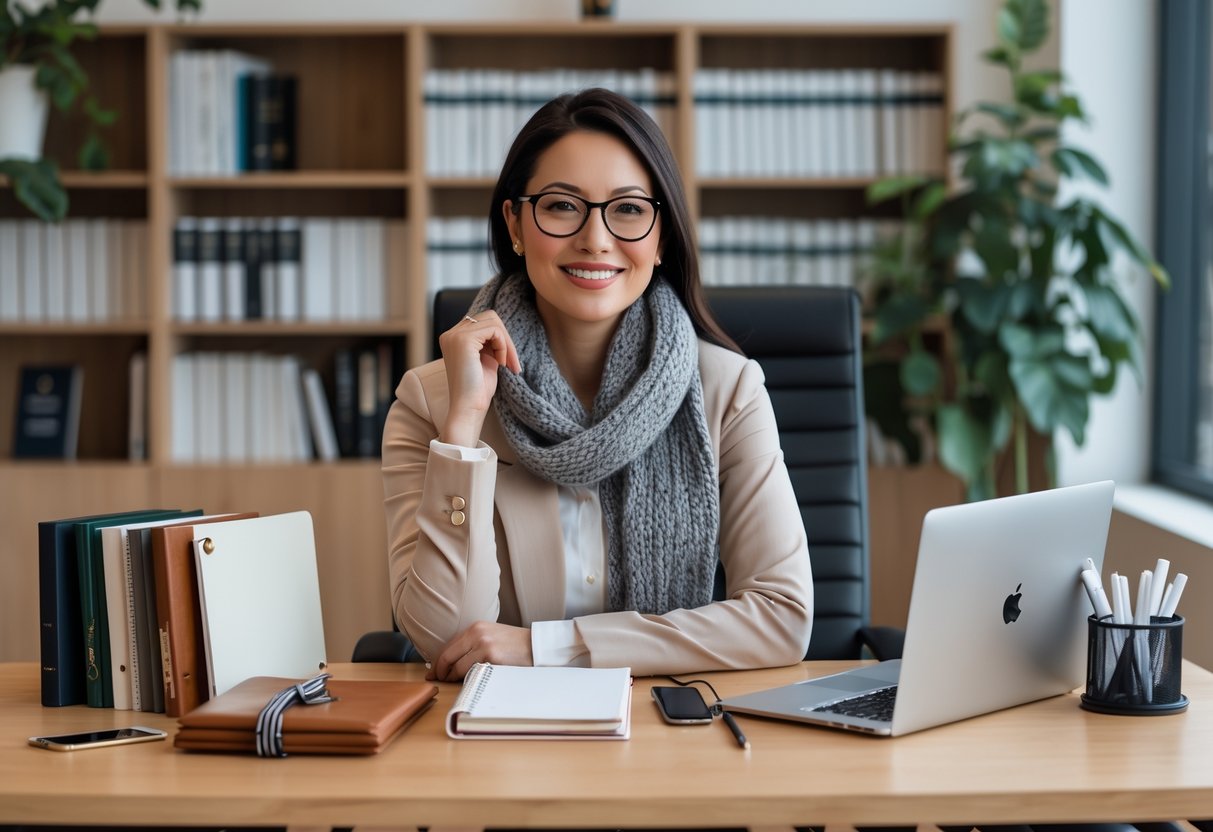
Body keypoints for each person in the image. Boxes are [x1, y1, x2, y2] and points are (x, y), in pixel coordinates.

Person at [382, 87, 812, 682]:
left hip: (671, 738)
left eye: (629, 209)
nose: (596, 238)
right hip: (498, 746)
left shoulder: (728, 390)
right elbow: (446, 639)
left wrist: (554, 648)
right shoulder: (429, 402)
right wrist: (463, 432)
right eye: (561, 206)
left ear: (662, 237)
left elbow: (781, 617)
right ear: (515, 223)